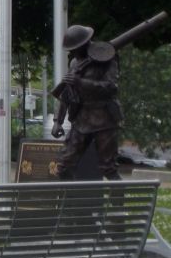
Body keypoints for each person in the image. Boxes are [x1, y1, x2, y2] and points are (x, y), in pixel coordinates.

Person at [51, 25, 123, 180]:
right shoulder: (74, 63)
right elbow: (66, 94)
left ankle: (119, 204)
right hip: (82, 120)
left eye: (74, 49)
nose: (72, 53)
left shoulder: (107, 59)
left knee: (108, 168)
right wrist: (58, 121)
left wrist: (81, 82)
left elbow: (111, 88)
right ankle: (71, 201)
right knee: (63, 166)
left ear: (85, 44)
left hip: (104, 118)